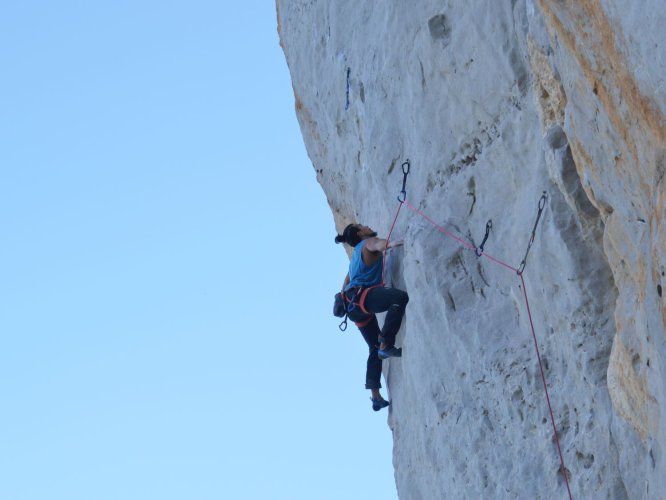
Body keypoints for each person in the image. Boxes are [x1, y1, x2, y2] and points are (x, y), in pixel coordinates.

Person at [335, 223, 409, 411]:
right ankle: (387, 343)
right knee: (399, 298)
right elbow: (378, 245)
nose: (366, 226)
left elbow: (346, 282)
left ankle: (375, 396)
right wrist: (393, 244)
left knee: (373, 347)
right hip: (362, 298)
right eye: (362, 226)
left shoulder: (354, 259)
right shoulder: (367, 242)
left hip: (352, 305)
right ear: (360, 234)